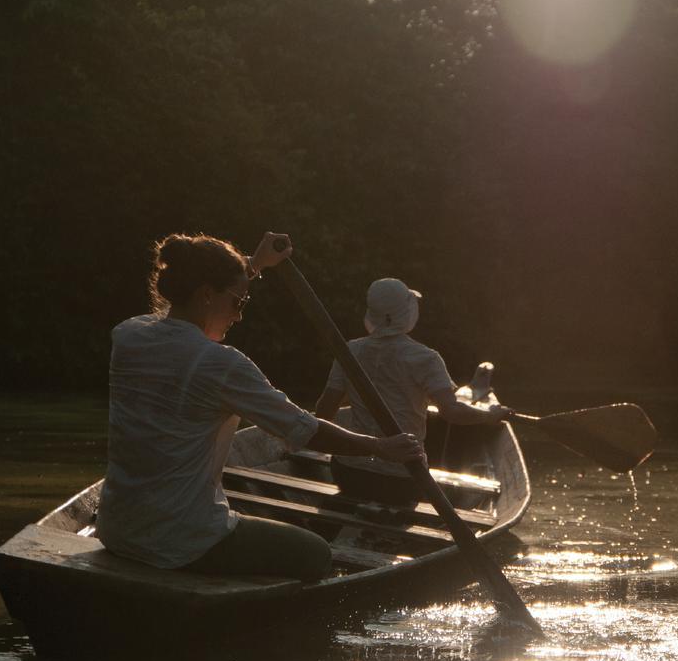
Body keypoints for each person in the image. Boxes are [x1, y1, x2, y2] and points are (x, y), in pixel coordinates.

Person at [96, 232, 425, 582]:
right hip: (183, 541)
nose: (239, 316)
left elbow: (180, 317)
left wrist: (253, 265)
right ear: (207, 295)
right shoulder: (222, 365)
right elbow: (303, 428)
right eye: (239, 302)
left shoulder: (128, 335)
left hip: (117, 529)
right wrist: (379, 447)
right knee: (316, 553)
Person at [314, 277, 508, 505]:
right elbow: (452, 412)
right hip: (403, 480)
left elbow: (324, 412)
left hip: (349, 474)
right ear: (406, 313)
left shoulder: (350, 351)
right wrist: (489, 416)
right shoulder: (426, 358)